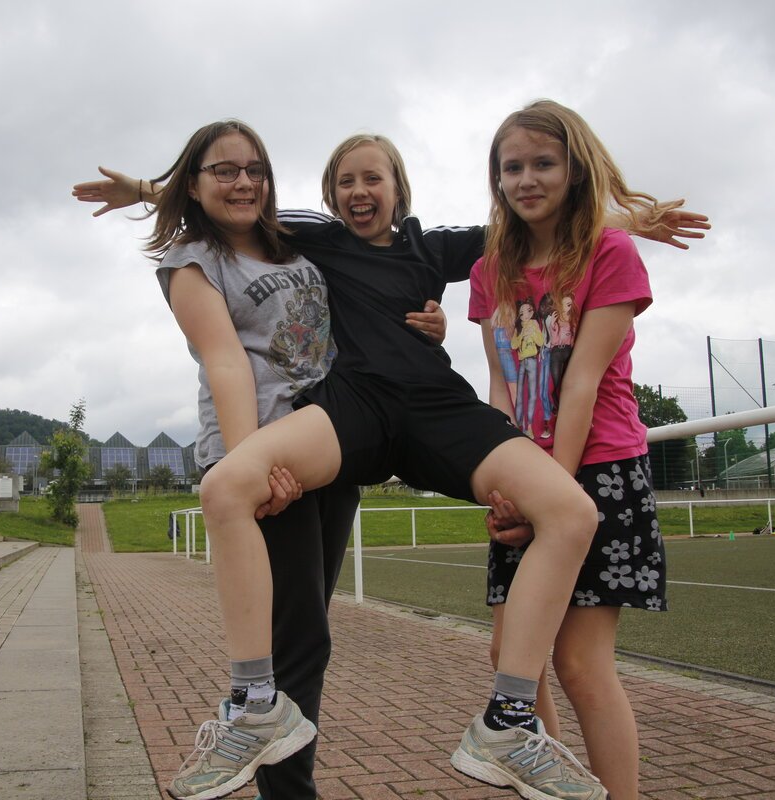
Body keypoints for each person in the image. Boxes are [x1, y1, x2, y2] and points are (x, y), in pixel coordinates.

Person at [77, 125, 706, 800]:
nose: (359, 191)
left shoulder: (431, 248)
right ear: (330, 197)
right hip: (356, 407)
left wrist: (632, 218)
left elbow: (534, 219)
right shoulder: (318, 240)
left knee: (571, 510)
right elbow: (235, 198)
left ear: (398, 189)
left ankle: (509, 719)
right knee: (228, 486)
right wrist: (147, 189)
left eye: (372, 178)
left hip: (435, 406)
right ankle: (255, 702)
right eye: (345, 181)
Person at [76, 120, 448, 800]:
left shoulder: (298, 238)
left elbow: (371, 287)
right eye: (225, 170)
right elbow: (226, 363)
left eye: (256, 169)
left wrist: (429, 321)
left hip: (326, 447)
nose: (243, 181)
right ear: (195, 183)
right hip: (258, 454)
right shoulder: (193, 261)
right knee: (296, 639)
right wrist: (250, 468)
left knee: (303, 633)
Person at [467, 99, 675, 800]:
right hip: (526, 474)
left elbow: (581, 382)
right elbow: (500, 384)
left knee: (580, 664)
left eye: (543, 163)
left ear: (575, 169)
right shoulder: (489, 271)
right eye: (512, 168)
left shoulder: (610, 253)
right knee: (511, 660)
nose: (526, 179)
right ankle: (551, 785)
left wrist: (548, 495)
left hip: (599, 472)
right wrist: (506, 478)